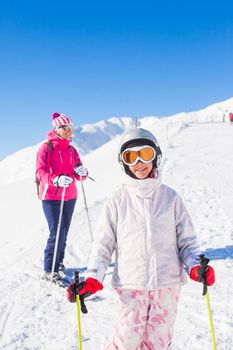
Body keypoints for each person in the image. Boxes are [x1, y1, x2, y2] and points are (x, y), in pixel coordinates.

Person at [67, 128, 215, 349]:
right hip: (131, 284)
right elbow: (103, 244)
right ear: (123, 162)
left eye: (145, 154)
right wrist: (93, 278)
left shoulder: (171, 198)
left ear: (156, 156)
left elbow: (188, 242)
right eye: (130, 156)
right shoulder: (118, 199)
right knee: (126, 341)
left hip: (167, 285)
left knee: (159, 342)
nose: (138, 162)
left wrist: (196, 267)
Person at [36, 112, 88, 283]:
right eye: (65, 128)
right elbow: (40, 172)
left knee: (63, 231)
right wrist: (56, 180)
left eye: (70, 128)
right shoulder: (46, 148)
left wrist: (82, 172)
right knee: (55, 232)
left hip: (70, 196)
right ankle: (49, 270)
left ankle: (58, 264)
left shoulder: (72, 150)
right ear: (57, 129)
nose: (69, 131)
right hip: (51, 196)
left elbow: (79, 173)